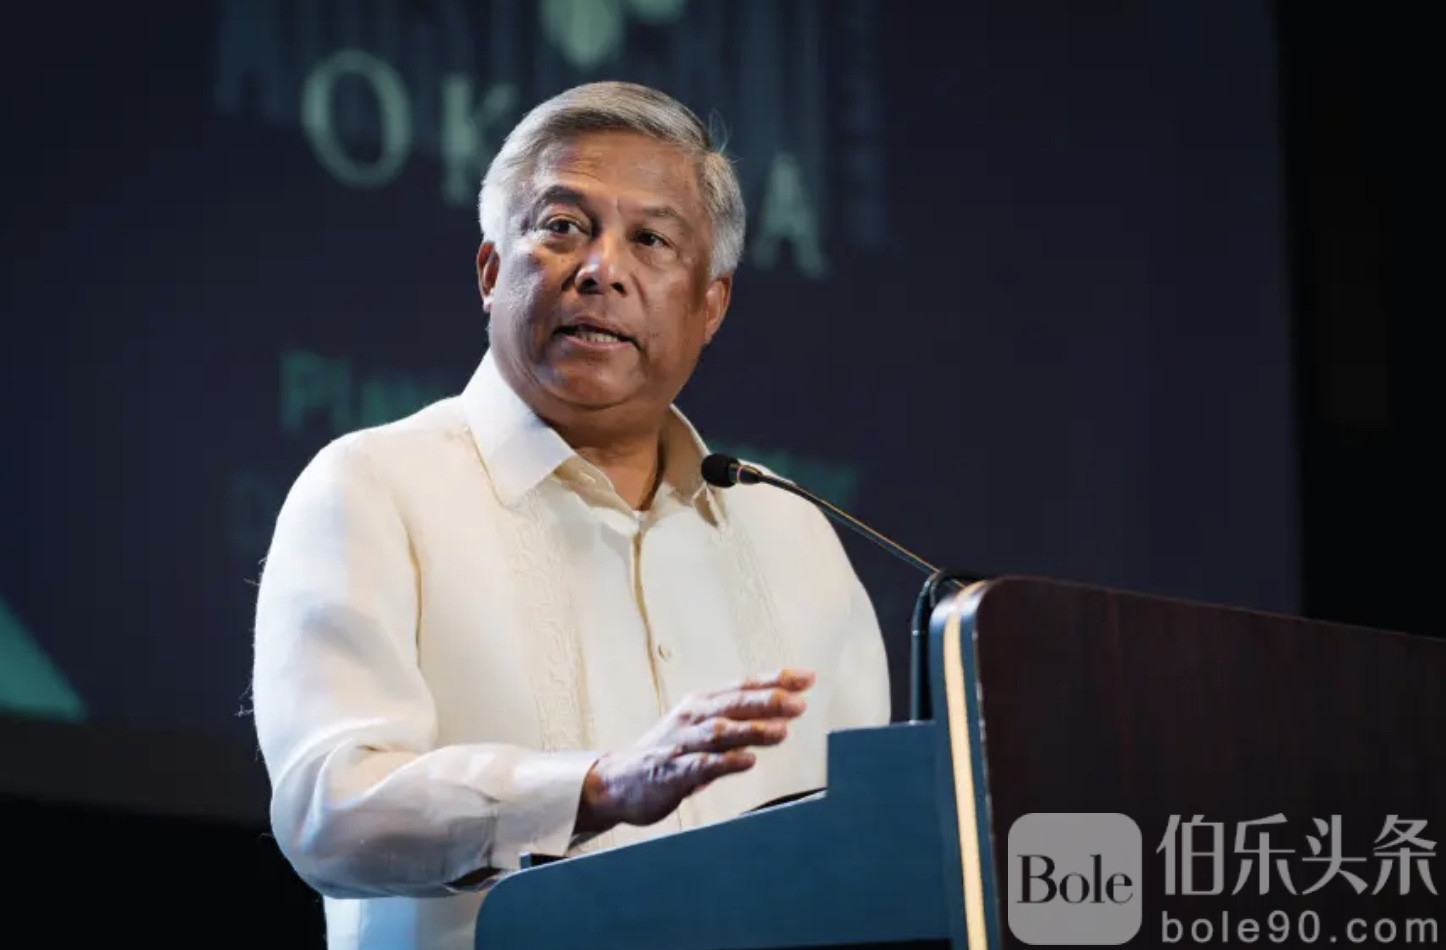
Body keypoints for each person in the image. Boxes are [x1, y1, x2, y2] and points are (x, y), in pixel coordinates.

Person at [251, 80, 890, 950]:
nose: (601, 269)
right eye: (562, 226)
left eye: (652, 240)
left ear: (710, 305)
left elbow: (865, 849)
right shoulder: (371, 487)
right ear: (490, 272)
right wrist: (593, 788)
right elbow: (332, 811)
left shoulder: (791, 531)